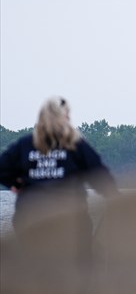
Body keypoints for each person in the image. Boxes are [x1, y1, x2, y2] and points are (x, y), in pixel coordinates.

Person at [0, 97, 118, 235]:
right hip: (71, 223)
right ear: (65, 118)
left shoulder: (25, 145)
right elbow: (100, 175)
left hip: (31, 222)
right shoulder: (75, 145)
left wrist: (17, 184)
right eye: (67, 115)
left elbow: (2, 168)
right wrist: (114, 196)